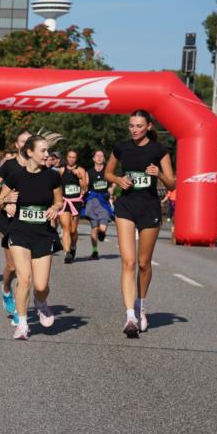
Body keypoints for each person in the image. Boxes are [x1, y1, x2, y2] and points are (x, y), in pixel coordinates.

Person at [105, 109, 175, 338]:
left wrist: (159, 174)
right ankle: (130, 316)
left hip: (149, 207)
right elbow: (108, 172)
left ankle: (141, 305)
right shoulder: (121, 147)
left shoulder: (159, 150)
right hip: (126, 206)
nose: (134, 129)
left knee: (144, 264)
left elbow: (172, 183)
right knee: (129, 262)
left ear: (149, 127)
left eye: (139, 126)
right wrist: (117, 179)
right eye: (131, 126)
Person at [0, 135, 63, 340]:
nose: (47, 155)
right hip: (19, 232)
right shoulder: (16, 176)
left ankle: (41, 302)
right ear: (30, 152)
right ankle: (22, 324)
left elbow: (59, 202)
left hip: (43, 234)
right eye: (43, 151)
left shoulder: (52, 177)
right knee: (24, 278)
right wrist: (6, 201)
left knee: (41, 286)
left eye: (48, 151)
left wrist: (54, 207)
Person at [0, 129, 31, 325]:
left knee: (25, 271)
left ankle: (19, 311)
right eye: (22, 141)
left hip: (30, 221)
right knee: (12, 266)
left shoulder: (38, 166)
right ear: (17, 145)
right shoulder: (9, 165)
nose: (25, 144)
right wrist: (2, 201)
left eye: (29, 141)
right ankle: (6, 288)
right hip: (9, 220)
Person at [84, 149, 114, 260]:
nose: (99, 157)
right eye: (97, 156)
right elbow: (85, 186)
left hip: (103, 201)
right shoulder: (89, 172)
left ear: (104, 159)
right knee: (94, 228)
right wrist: (84, 189)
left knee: (102, 228)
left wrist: (111, 190)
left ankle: (102, 234)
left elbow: (112, 183)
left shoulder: (107, 172)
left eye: (101, 156)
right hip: (92, 201)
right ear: (93, 158)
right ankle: (95, 251)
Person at [58, 149, 87, 263]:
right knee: (65, 227)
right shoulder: (61, 170)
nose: (71, 159)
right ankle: (67, 253)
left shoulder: (81, 170)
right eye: (69, 157)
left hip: (76, 202)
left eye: (73, 157)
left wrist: (79, 177)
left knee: (73, 230)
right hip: (65, 202)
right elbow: (57, 187)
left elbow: (84, 188)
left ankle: (73, 246)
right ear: (67, 158)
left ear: (76, 158)